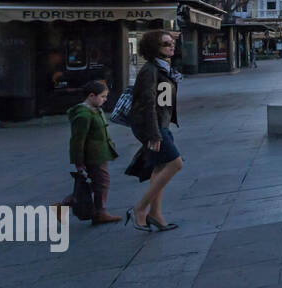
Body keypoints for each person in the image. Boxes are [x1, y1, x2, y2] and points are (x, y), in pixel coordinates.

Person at [126, 29, 184, 232]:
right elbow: (147, 104)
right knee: (175, 164)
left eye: (172, 43)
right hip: (153, 126)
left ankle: (155, 214)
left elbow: (163, 100)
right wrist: (153, 134)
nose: (171, 46)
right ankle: (140, 209)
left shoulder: (164, 68)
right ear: (154, 49)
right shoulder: (150, 71)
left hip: (161, 124)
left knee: (159, 168)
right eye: (166, 44)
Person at [54, 80, 120, 226]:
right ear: (91, 96)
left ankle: (64, 206)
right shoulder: (83, 115)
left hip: (101, 153)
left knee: (94, 184)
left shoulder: (96, 109)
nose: (105, 99)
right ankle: (100, 213)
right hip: (92, 156)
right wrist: (79, 162)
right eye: (102, 96)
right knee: (102, 182)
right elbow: (77, 141)